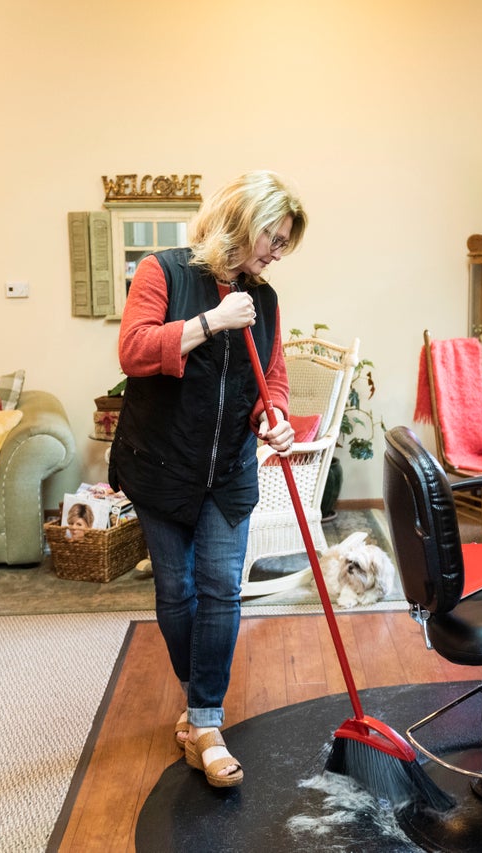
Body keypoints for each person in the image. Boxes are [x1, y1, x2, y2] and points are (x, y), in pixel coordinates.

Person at [110, 170, 306, 788]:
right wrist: (214, 322)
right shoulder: (162, 272)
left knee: (222, 591)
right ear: (242, 222)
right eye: (272, 238)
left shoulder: (265, 299)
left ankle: (204, 721)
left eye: (283, 244)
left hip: (227, 473)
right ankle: (200, 714)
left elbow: (269, 376)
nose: (276, 253)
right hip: (162, 466)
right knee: (178, 595)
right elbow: (135, 351)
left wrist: (274, 418)